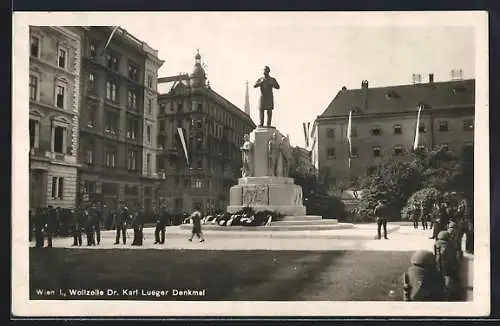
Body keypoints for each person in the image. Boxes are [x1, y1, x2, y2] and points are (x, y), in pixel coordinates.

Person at [434, 230, 460, 300]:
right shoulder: (451, 244)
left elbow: (436, 255)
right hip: (450, 267)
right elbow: (453, 257)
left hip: (440, 264)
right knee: (451, 279)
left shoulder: (437, 243)